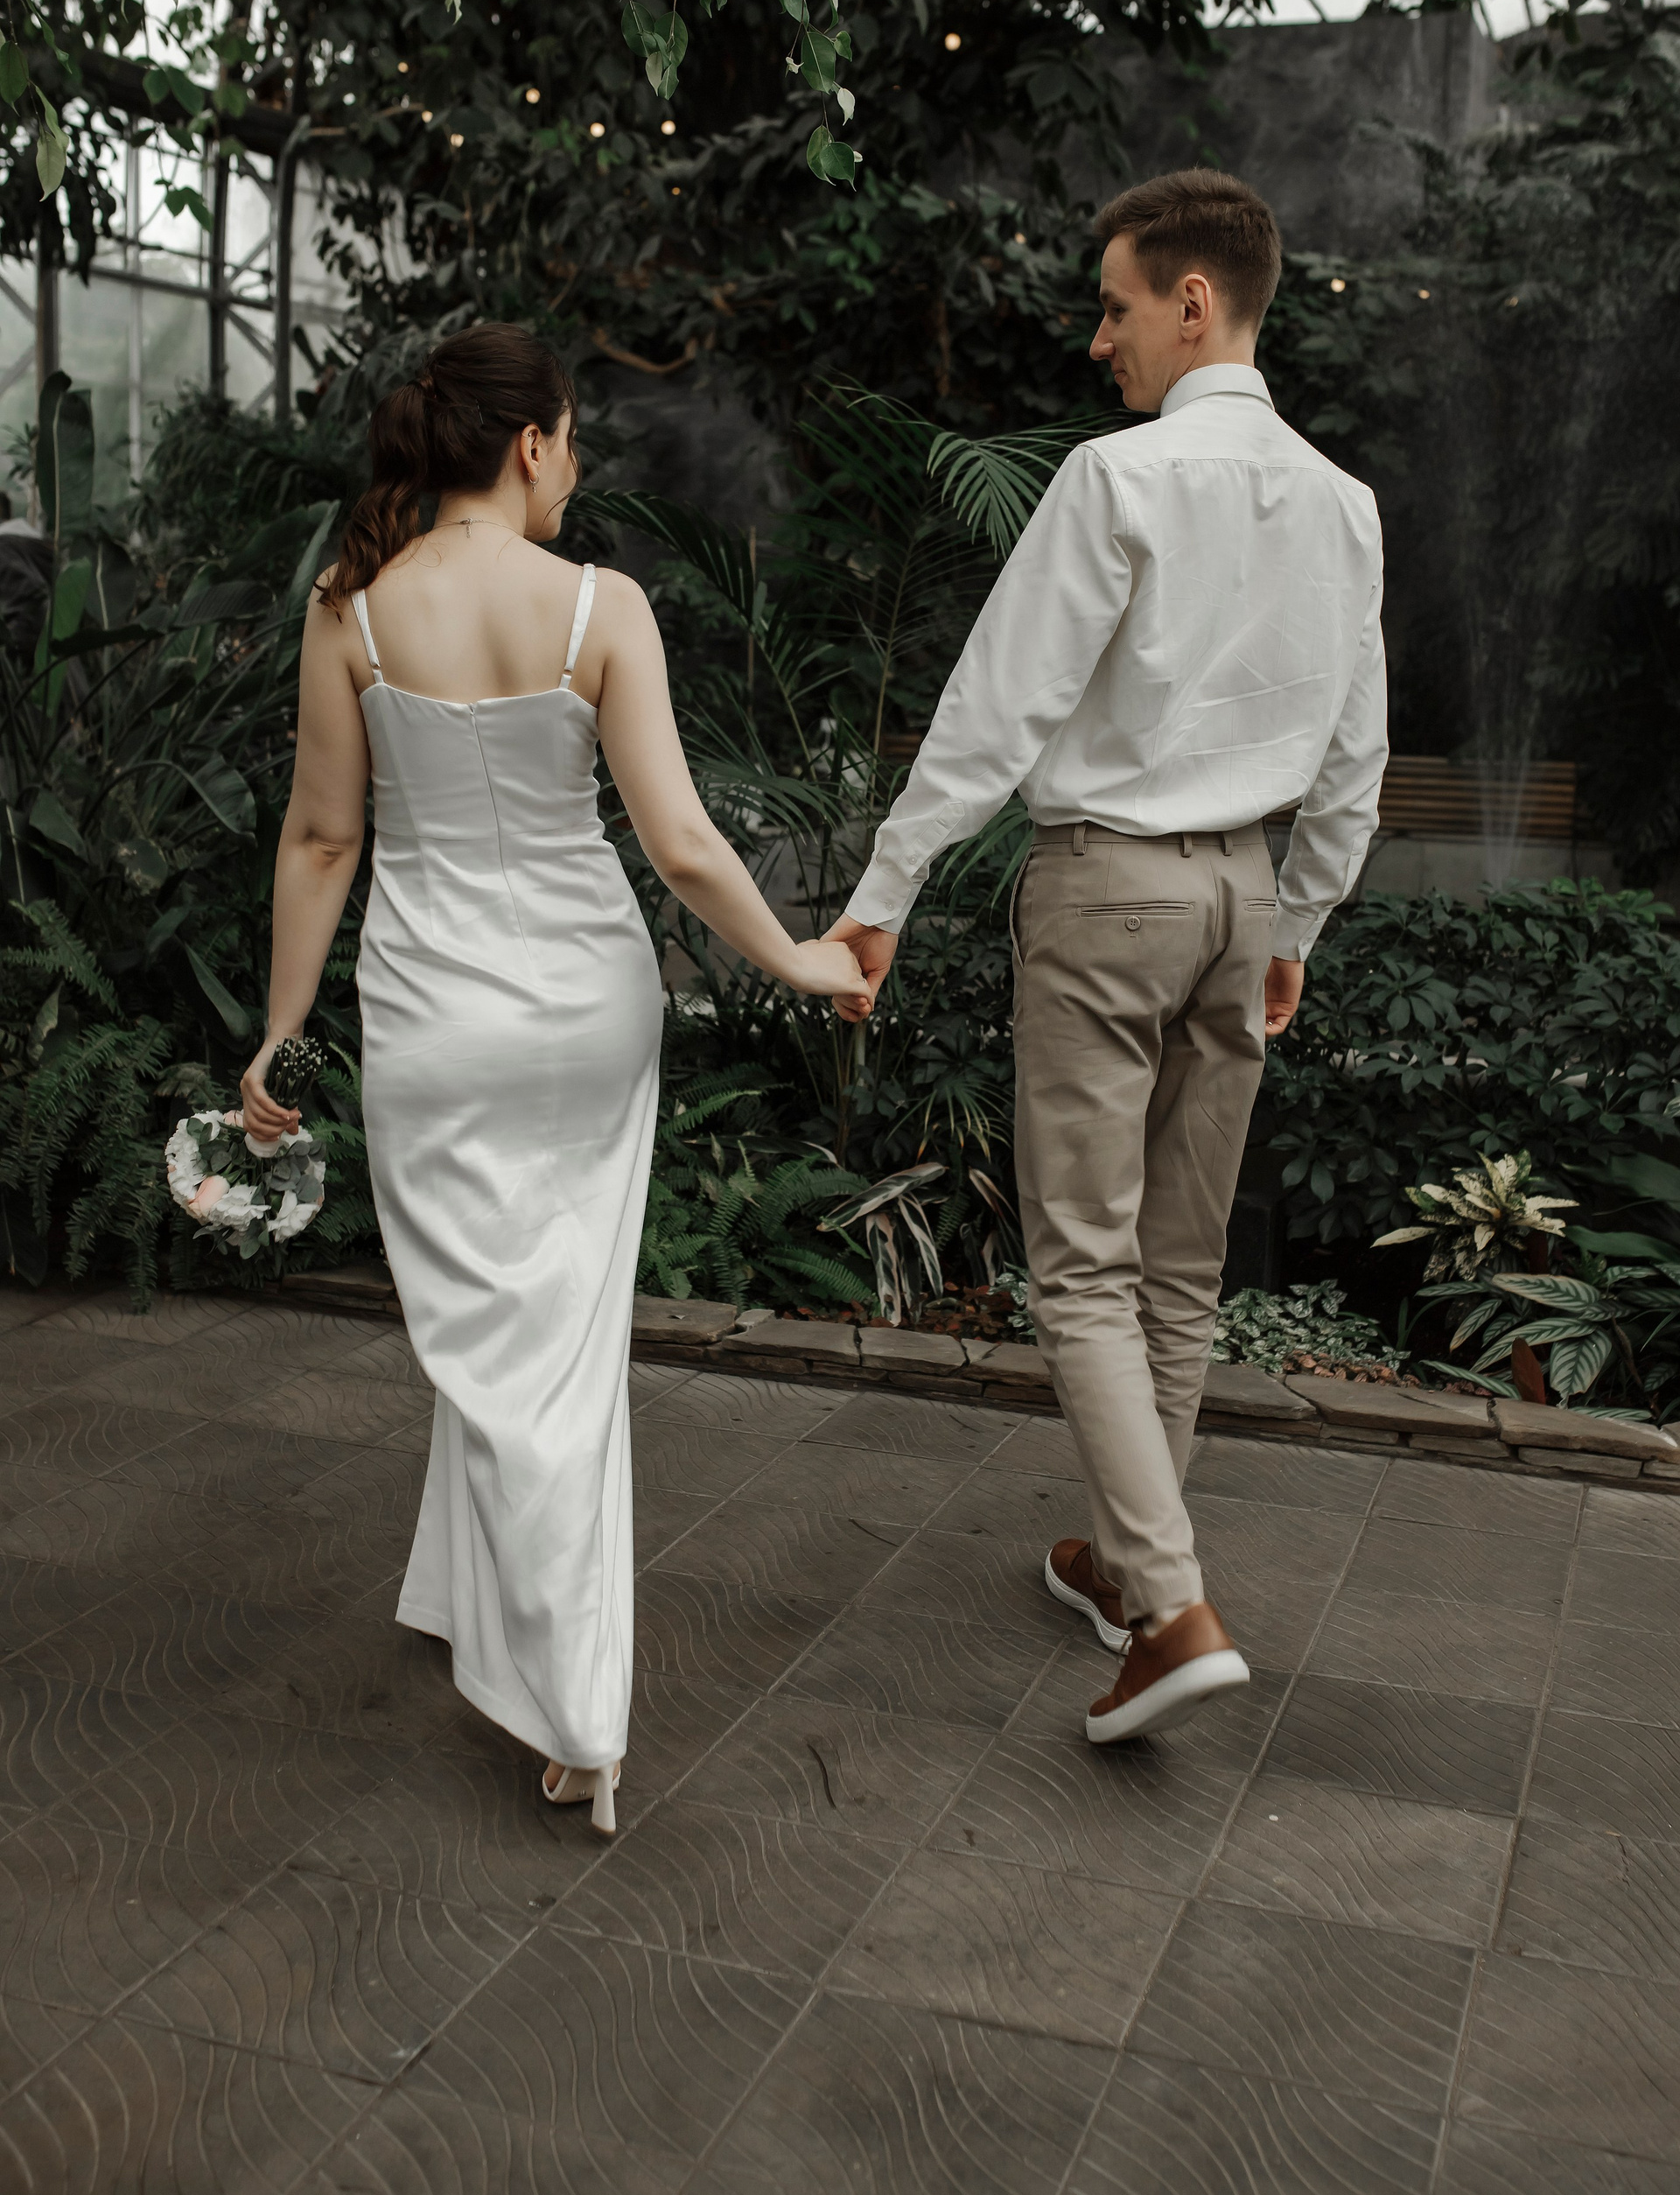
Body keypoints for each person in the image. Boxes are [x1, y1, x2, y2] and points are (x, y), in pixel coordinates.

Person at [241, 323, 867, 1835]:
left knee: (489, 1332)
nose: (574, 468)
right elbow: (682, 845)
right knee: (558, 1341)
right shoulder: (602, 606)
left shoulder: (353, 610)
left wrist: (280, 1035)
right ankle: (548, 1678)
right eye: (572, 439)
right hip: (589, 1010)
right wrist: (798, 961)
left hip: (435, 1018)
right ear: (530, 444)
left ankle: (545, 1671)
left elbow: (322, 840)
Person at [824, 169, 1387, 1743]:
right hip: (1241, 900)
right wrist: (1296, 923)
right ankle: (1133, 1573)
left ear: (1193, 304)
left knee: (1082, 1265)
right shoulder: (1344, 505)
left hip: (1109, 894)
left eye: (1116, 306)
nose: (1099, 339)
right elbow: (1357, 758)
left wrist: (885, 889)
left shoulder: (1115, 479)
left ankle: (1175, 1608)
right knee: (1184, 1271)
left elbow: (995, 708)